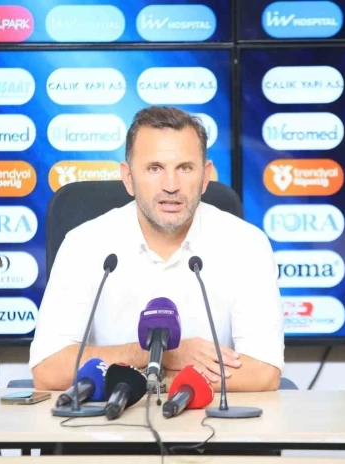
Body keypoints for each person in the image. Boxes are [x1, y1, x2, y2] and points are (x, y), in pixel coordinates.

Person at [30, 105, 284, 392]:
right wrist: (161, 354)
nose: (171, 185)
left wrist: (153, 383)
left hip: (209, 414)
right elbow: (49, 370)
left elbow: (262, 372)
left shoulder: (247, 244)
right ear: (128, 178)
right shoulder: (84, 244)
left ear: (205, 176)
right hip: (110, 416)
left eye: (185, 168)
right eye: (154, 168)